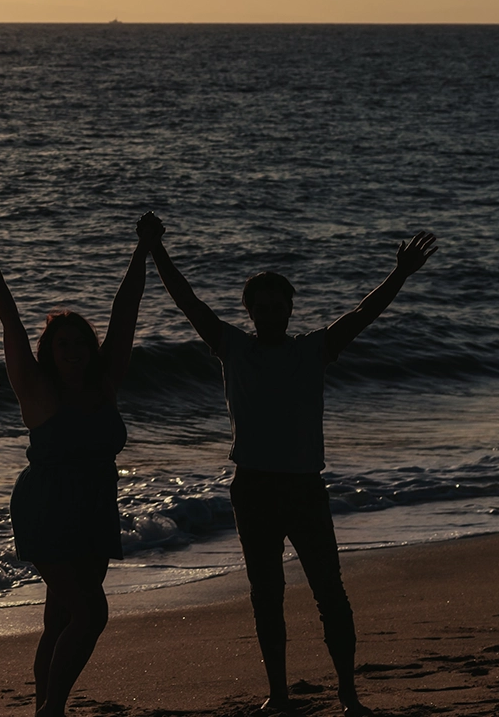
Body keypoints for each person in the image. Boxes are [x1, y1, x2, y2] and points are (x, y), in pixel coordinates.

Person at [141, 213, 437, 717]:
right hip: (253, 489)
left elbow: (365, 314)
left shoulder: (313, 349)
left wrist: (400, 274)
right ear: (251, 312)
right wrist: (155, 251)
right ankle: (277, 696)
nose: (271, 312)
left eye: (280, 305)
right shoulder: (231, 347)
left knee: (330, 593)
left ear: (290, 310)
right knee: (266, 595)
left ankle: (348, 695)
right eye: (263, 306)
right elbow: (188, 302)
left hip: (304, 489)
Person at [0, 221, 150, 717]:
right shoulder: (38, 391)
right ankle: (51, 710)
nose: (74, 352)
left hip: (96, 508)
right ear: (49, 354)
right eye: (63, 346)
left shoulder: (105, 384)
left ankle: (44, 705)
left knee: (60, 619)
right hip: (47, 510)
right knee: (92, 613)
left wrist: (142, 251)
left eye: (81, 343)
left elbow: (125, 315)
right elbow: (10, 320)